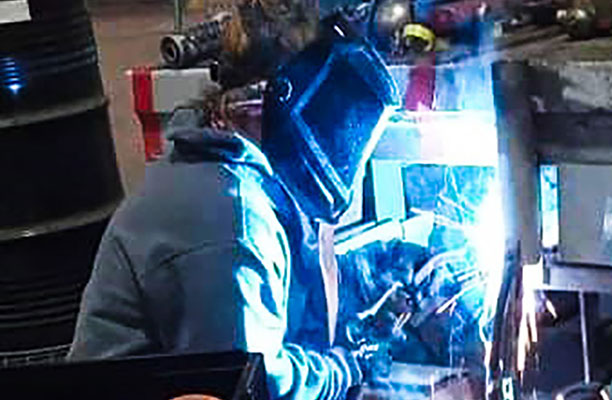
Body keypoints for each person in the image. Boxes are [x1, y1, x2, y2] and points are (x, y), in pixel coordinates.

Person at [67, 8, 399, 400]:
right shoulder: (230, 218)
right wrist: (342, 371)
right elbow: (253, 384)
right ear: (276, 104)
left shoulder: (217, 173)